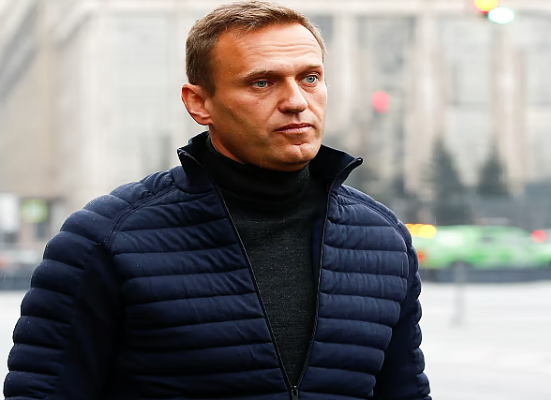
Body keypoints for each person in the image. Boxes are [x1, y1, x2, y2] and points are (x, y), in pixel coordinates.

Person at [3, 1, 431, 399]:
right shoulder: (105, 241)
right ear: (199, 103)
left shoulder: (381, 238)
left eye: (310, 78)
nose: (296, 102)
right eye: (262, 82)